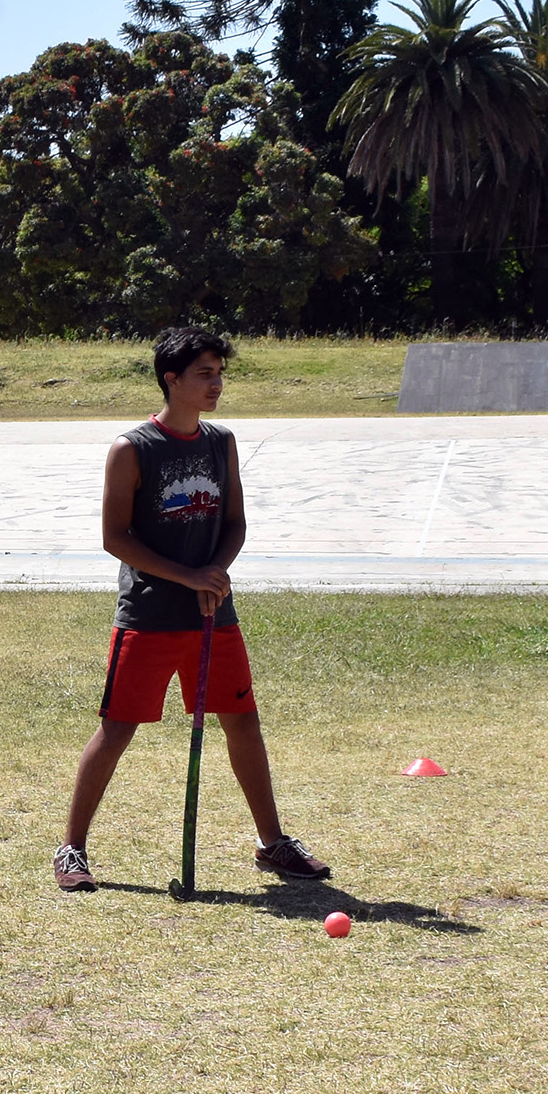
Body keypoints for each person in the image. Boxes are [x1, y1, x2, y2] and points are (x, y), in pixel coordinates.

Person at [54, 328, 331, 893]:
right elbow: (115, 538)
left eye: (220, 374)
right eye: (204, 374)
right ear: (171, 379)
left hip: (212, 616)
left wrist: (217, 574)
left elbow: (235, 523)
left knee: (244, 723)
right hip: (150, 616)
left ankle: (272, 843)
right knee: (117, 729)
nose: (216, 384)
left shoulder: (221, 442)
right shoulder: (132, 449)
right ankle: (72, 848)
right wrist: (188, 576)